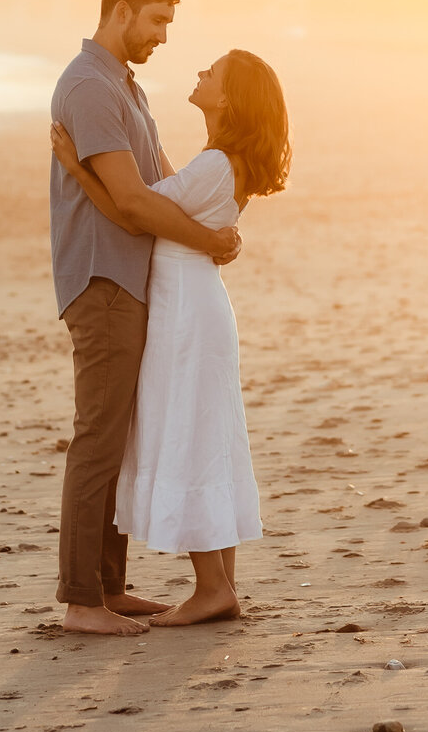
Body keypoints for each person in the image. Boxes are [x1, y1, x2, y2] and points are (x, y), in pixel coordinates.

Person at [52, 47, 291, 627]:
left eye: (213, 73)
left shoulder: (215, 165)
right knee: (207, 435)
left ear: (229, 98)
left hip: (185, 309)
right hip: (195, 303)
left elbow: (135, 212)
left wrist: (75, 165)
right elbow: (162, 191)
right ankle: (220, 586)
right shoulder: (216, 161)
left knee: (189, 434)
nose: (201, 74)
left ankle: (212, 588)